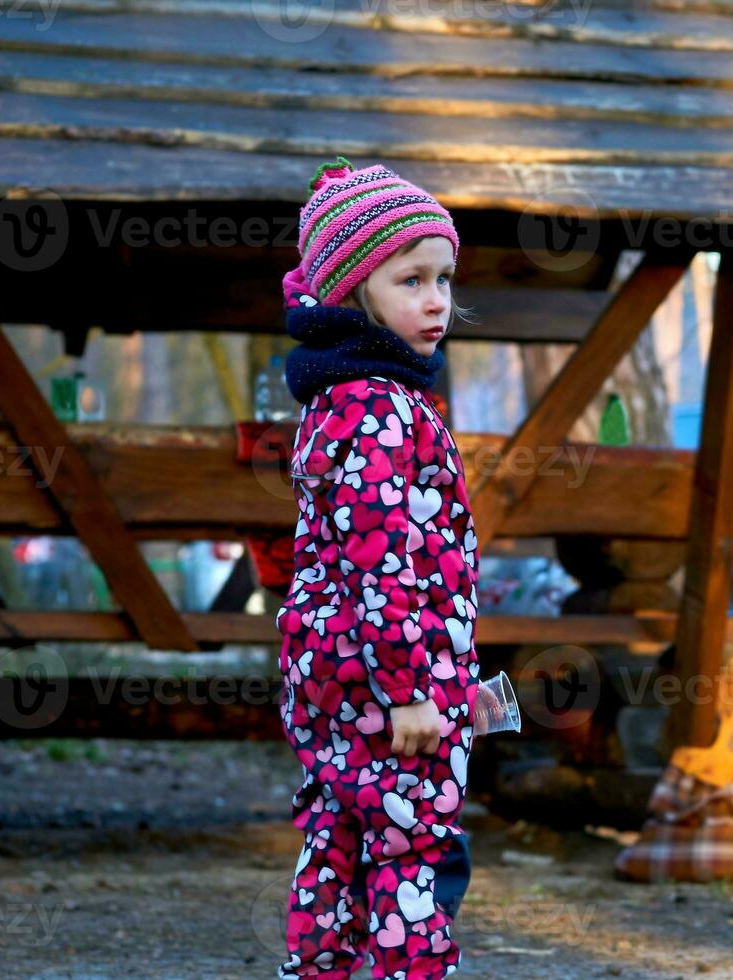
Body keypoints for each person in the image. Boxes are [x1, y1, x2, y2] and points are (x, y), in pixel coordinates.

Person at [274, 156, 478, 980]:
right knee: (414, 849)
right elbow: (383, 559)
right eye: (410, 279)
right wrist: (410, 689)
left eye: (444, 278)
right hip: (388, 679)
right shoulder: (380, 407)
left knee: (340, 832)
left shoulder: (340, 397)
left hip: (331, 668)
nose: (436, 301)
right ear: (354, 292)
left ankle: (317, 969)